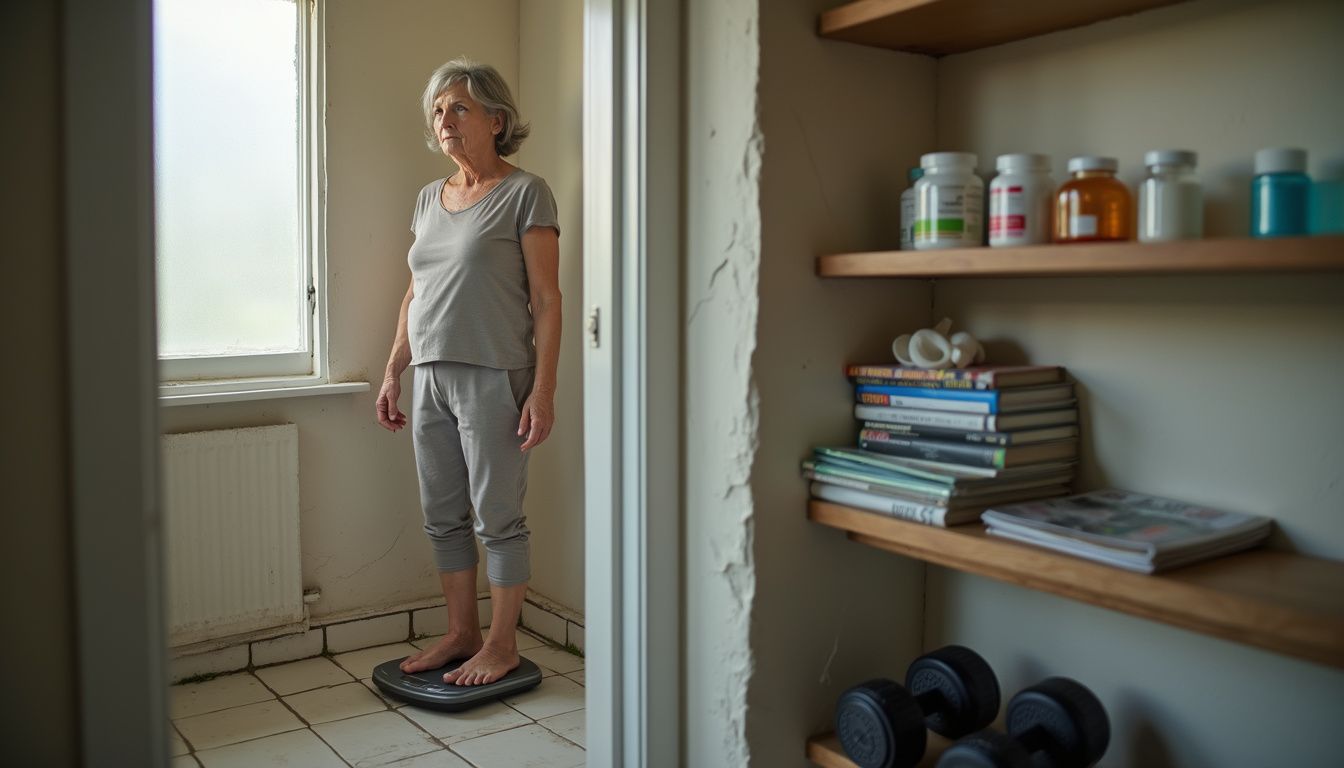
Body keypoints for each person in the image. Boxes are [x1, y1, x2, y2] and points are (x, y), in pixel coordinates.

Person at [376, 58, 561, 687]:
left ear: (496, 119)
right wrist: (393, 369)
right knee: (443, 514)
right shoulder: (430, 198)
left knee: (497, 516)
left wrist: (543, 389)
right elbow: (414, 292)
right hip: (429, 373)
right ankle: (462, 633)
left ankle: (502, 644)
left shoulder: (526, 191)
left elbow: (547, 299)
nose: (444, 120)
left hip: (495, 375)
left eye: (459, 107)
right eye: (437, 110)